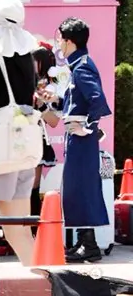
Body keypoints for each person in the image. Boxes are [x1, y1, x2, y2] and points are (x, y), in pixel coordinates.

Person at [52, 17, 111, 264]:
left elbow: (97, 100)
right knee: (76, 189)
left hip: (81, 140)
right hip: (76, 138)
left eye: (60, 39)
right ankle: (83, 242)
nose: (58, 44)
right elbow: (77, 102)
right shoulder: (78, 65)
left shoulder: (81, 67)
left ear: (69, 41)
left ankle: (89, 245)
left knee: (82, 188)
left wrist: (87, 128)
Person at [0, 0, 39, 266]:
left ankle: (47, 283)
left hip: (1, 150)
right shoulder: (25, 56)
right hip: (24, 146)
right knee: (20, 230)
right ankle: (45, 281)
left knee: (12, 230)